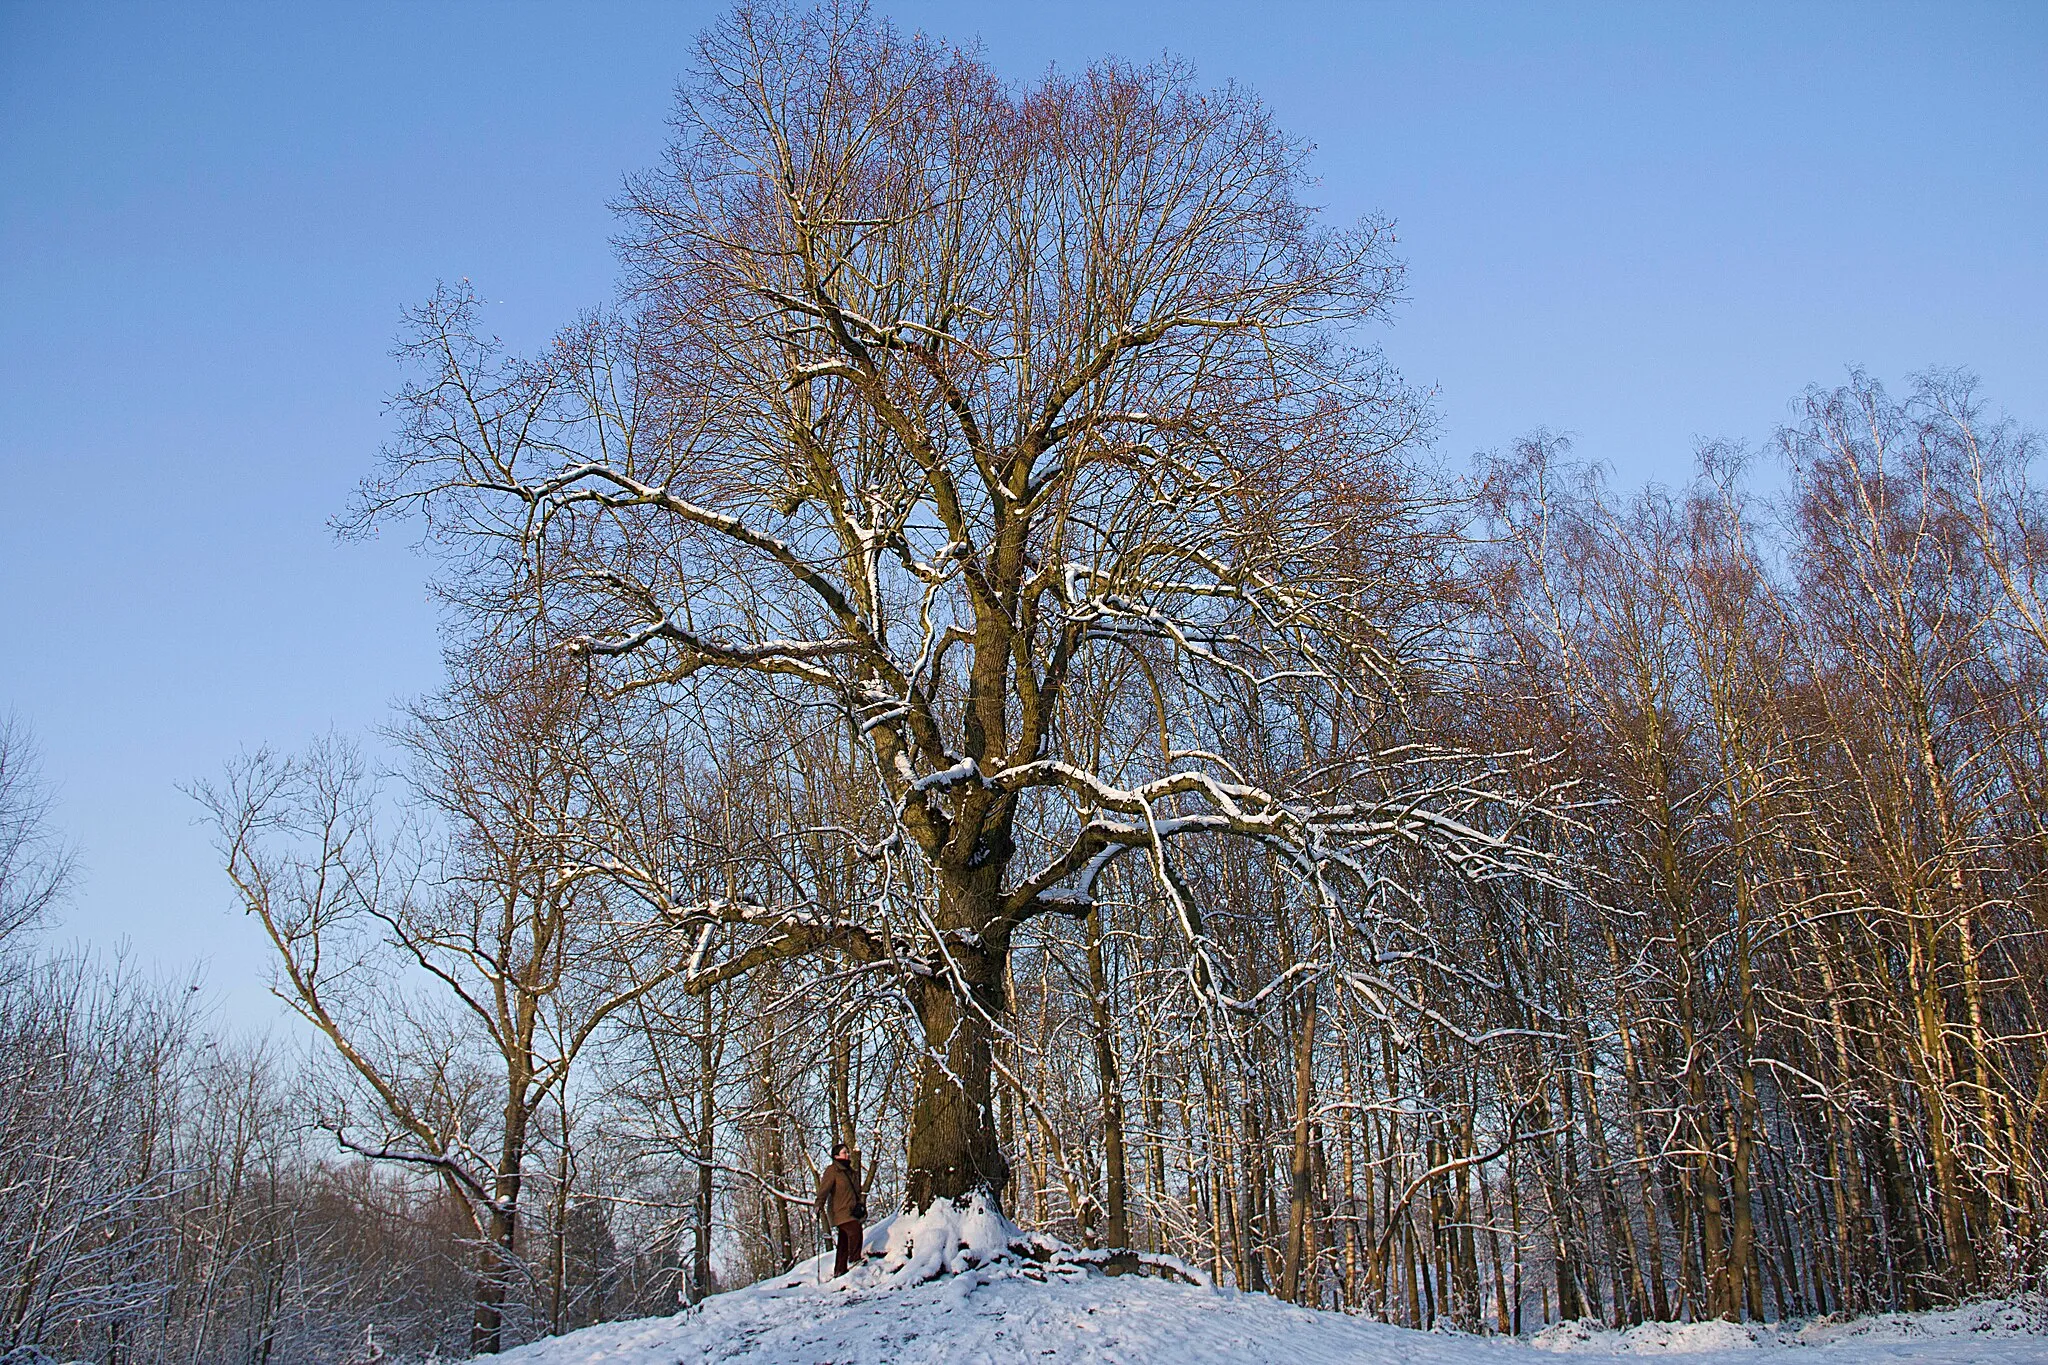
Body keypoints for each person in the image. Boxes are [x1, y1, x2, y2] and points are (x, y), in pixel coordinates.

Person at [814, 1141, 866, 1277]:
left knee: (844, 1241)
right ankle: (854, 1260)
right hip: (839, 1211)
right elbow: (824, 1189)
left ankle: (839, 1270)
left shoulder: (851, 1172)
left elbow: (856, 1191)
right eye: (844, 1152)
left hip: (851, 1210)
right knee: (855, 1230)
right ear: (836, 1156)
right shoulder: (832, 1171)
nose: (847, 1155)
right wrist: (818, 1205)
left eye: (848, 1152)